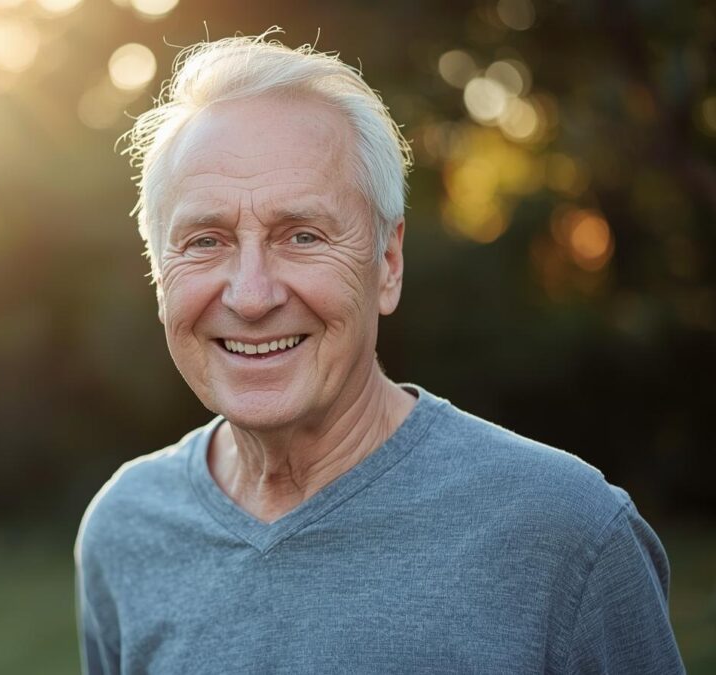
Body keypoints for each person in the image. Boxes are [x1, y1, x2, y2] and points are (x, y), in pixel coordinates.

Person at [75, 33, 684, 674]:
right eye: (205, 241)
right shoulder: (127, 529)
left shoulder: (568, 534)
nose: (251, 296)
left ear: (387, 264)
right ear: (159, 274)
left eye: (302, 235)